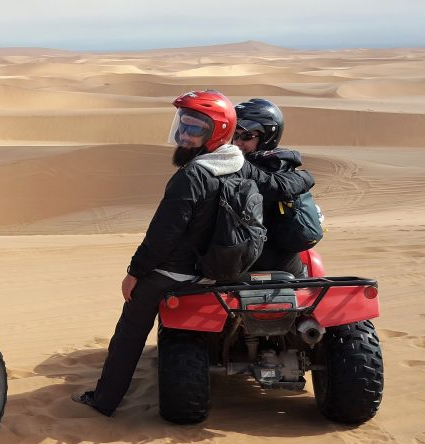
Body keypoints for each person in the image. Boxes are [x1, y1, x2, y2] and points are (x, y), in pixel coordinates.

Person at [72, 90, 315, 417]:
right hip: (223, 267)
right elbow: (280, 186)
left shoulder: (192, 176)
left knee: (130, 329)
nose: (184, 136)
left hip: (181, 272)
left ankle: (104, 401)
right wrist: (307, 177)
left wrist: (135, 273)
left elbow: (162, 237)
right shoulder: (238, 164)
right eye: (182, 126)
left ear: (215, 133)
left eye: (194, 129)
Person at [232, 98, 315, 277]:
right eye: (234, 135)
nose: (237, 142)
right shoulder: (286, 165)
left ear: (268, 136)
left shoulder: (262, 169)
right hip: (281, 260)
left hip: (258, 261)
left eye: (247, 136)